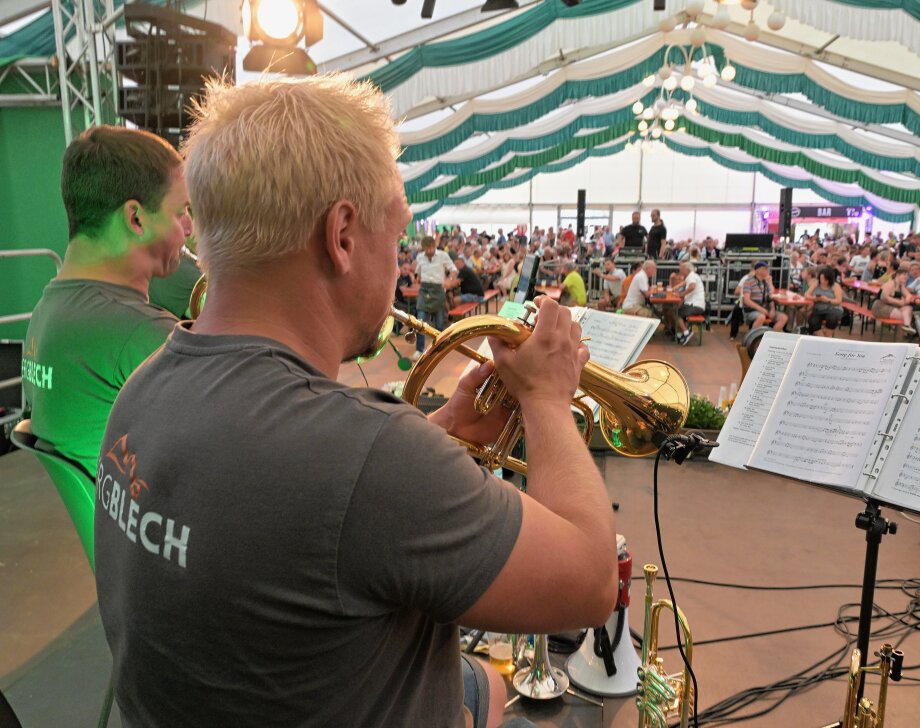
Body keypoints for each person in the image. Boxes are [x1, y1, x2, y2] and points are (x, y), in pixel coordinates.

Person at [95, 75, 616, 728]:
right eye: (395, 234)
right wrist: (546, 398)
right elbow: (592, 582)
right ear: (342, 234)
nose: (399, 262)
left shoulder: (143, 385)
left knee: (478, 681)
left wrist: (443, 428)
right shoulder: (373, 458)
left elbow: (292, 508)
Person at [21, 126, 192, 477]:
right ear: (136, 218)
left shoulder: (45, 313)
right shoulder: (143, 334)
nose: (189, 228)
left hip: (104, 525)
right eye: (180, 212)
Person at [412, 235, 455, 360]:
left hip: (438, 290)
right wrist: (415, 278)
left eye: (431, 248)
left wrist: (449, 280)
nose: (429, 251)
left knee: (439, 323)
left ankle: (438, 349)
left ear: (434, 246)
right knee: (420, 321)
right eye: (427, 249)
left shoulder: (442, 255)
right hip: (424, 289)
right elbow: (417, 272)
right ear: (424, 248)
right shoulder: (420, 257)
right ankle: (419, 350)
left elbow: (453, 269)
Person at [872, 262, 917, 335]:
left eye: (907, 275)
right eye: (904, 275)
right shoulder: (891, 284)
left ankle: (907, 326)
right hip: (880, 307)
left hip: (892, 306)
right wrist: (900, 302)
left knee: (908, 308)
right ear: (898, 275)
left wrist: (904, 302)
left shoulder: (901, 285)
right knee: (904, 316)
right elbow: (884, 298)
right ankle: (903, 330)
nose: (906, 277)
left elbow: (909, 295)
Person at [741, 261, 788, 332]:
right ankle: (753, 338)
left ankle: (770, 338)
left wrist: (772, 309)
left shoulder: (765, 282)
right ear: (757, 270)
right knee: (761, 317)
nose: (767, 271)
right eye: (764, 269)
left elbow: (770, 298)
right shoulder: (749, 281)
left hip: (765, 309)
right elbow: (746, 300)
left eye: (767, 269)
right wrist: (761, 309)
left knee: (783, 317)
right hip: (751, 310)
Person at [669, 260, 705, 346]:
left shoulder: (691, 276)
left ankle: (686, 332)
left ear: (687, 269)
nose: (680, 270)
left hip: (695, 305)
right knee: (674, 310)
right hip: (694, 304)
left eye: (681, 269)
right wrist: (676, 287)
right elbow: (684, 283)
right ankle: (680, 333)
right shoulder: (691, 276)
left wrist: (682, 294)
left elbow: (692, 286)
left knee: (676, 313)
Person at [806, 266, 844, 337]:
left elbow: (839, 301)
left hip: (832, 309)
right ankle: (822, 338)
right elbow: (806, 294)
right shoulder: (816, 283)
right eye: (821, 279)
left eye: (825, 279)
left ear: (829, 280)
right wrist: (814, 298)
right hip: (818, 309)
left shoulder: (835, 286)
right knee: (813, 321)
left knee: (832, 319)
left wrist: (827, 300)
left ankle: (827, 337)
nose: (822, 281)